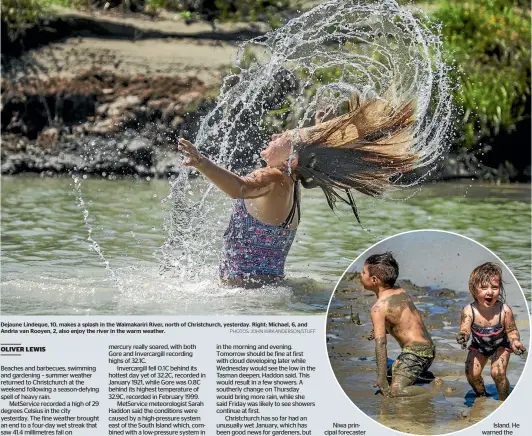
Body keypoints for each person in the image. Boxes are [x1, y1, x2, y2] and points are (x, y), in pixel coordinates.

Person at [178, 96, 418, 285]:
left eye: (282, 136)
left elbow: (240, 188)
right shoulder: (291, 185)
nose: (274, 136)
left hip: (244, 292)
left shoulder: (271, 177)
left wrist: (202, 163)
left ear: (293, 155)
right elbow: (304, 153)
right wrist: (320, 129)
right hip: (270, 288)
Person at [361, 252, 435, 397]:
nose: (360, 275)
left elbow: (381, 345)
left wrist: (381, 379)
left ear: (374, 280)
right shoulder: (400, 291)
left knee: (395, 390)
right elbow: (402, 321)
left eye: (363, 273)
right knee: (392, 374)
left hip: (416, 354)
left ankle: (435, 390)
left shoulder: (378, 308)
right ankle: (423, 376)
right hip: (429, 350)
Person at [456, 262, 526, 401]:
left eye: (494, 287)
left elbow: (511, 330)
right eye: (483, 288)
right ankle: (481, 396)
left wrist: (515, 341)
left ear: (499, 288)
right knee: (472, 374)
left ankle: (503, 399)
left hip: (501, 346)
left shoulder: (504, 310)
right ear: (473, 290)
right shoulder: (469, 311)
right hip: (479, 346)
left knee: (497, 372)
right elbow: (465, 327)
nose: (489, 292)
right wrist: (463, 335)